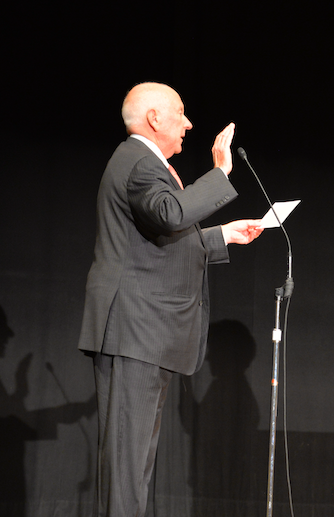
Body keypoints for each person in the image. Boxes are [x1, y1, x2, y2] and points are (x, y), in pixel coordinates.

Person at [77, 82, 263, 516]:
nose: (188, 123)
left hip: (141, 334)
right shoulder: (141, 162)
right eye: (180, 113)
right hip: (133, 331)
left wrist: (222, 236)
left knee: (135, 464)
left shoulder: (143, 162)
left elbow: (161, 236)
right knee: (128, 465)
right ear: (155, 118)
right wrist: (220, 173)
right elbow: (170, 214)